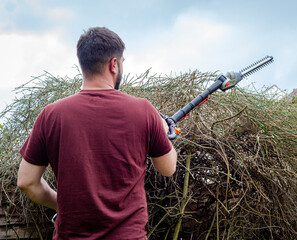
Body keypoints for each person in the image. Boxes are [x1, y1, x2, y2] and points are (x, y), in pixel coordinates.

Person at [17, 27, 177, 240]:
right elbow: (167, 168)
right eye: (121, 63)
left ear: (83, 64)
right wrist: (165, 131)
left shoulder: (51, 115)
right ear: (113, 64)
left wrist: (62, 202)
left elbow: (26, 182)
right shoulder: (144, 111)